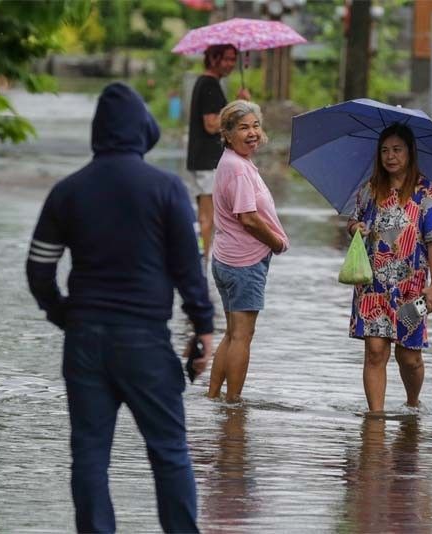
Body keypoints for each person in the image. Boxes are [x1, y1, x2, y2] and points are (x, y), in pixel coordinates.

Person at [26, 82, 214, 533]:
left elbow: (38, 270)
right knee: (169, 451)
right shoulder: (166, 189)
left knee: (89, 454)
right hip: (144, 341)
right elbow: (189, 268)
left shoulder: (67, 191)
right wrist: (203, 327)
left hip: (85, 340)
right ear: (141, 130)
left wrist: (65, 315)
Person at [347, 123, 432, 413]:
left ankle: (413, 404)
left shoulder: (427, 193)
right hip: (372, 285)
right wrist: (356, 227)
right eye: (384, 150)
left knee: (409, 356)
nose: (390, 156)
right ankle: (375, 420)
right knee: (375, 351)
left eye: (396, 150)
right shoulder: (369, 191)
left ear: (410, 152)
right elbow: (352, 222)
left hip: (412, 288)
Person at [208, 100, 289, 402]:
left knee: (232, 334)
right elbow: (248, 217)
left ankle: (214, 397)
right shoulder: (238, 169)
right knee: (242, 336)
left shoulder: (233, 162)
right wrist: (277, 242)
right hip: (243, 263)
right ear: (227, 134)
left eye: (255, 125)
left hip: (227, 259)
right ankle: (233, 405)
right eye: (243, 127)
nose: (252, 132)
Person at [186, 44, 250, 270]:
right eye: (227, 59)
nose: (231, 64)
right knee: (207, 217)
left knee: (205, 216)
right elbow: (212, 124)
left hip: (201, 160)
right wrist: (237, 107)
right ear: (213, 58)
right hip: (207, 161)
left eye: (234, 59)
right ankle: (203, 265)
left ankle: (202, 262)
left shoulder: (206, 83)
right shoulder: (209, 84)